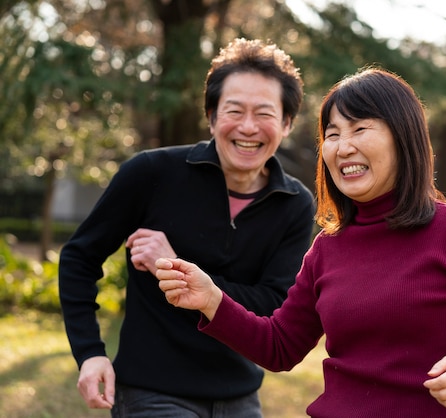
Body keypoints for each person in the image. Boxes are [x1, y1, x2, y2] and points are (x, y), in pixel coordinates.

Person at [154, 67, 446, 417]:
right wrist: (212, 300)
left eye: (360, 129)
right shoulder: (327, 249)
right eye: (332, 134)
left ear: (403, 137)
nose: (342, 146)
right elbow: (280, 346)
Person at [58, 38, 315, 417]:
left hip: (240, 395)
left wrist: (175, 266)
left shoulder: (296, 204)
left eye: (264, 113)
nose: (248, 127)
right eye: (233, 110)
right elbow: (80, 257)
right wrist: (90, 353)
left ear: (287, 123)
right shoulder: (150, 173)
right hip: (151, 391)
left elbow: (272, 306)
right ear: (211, 116)